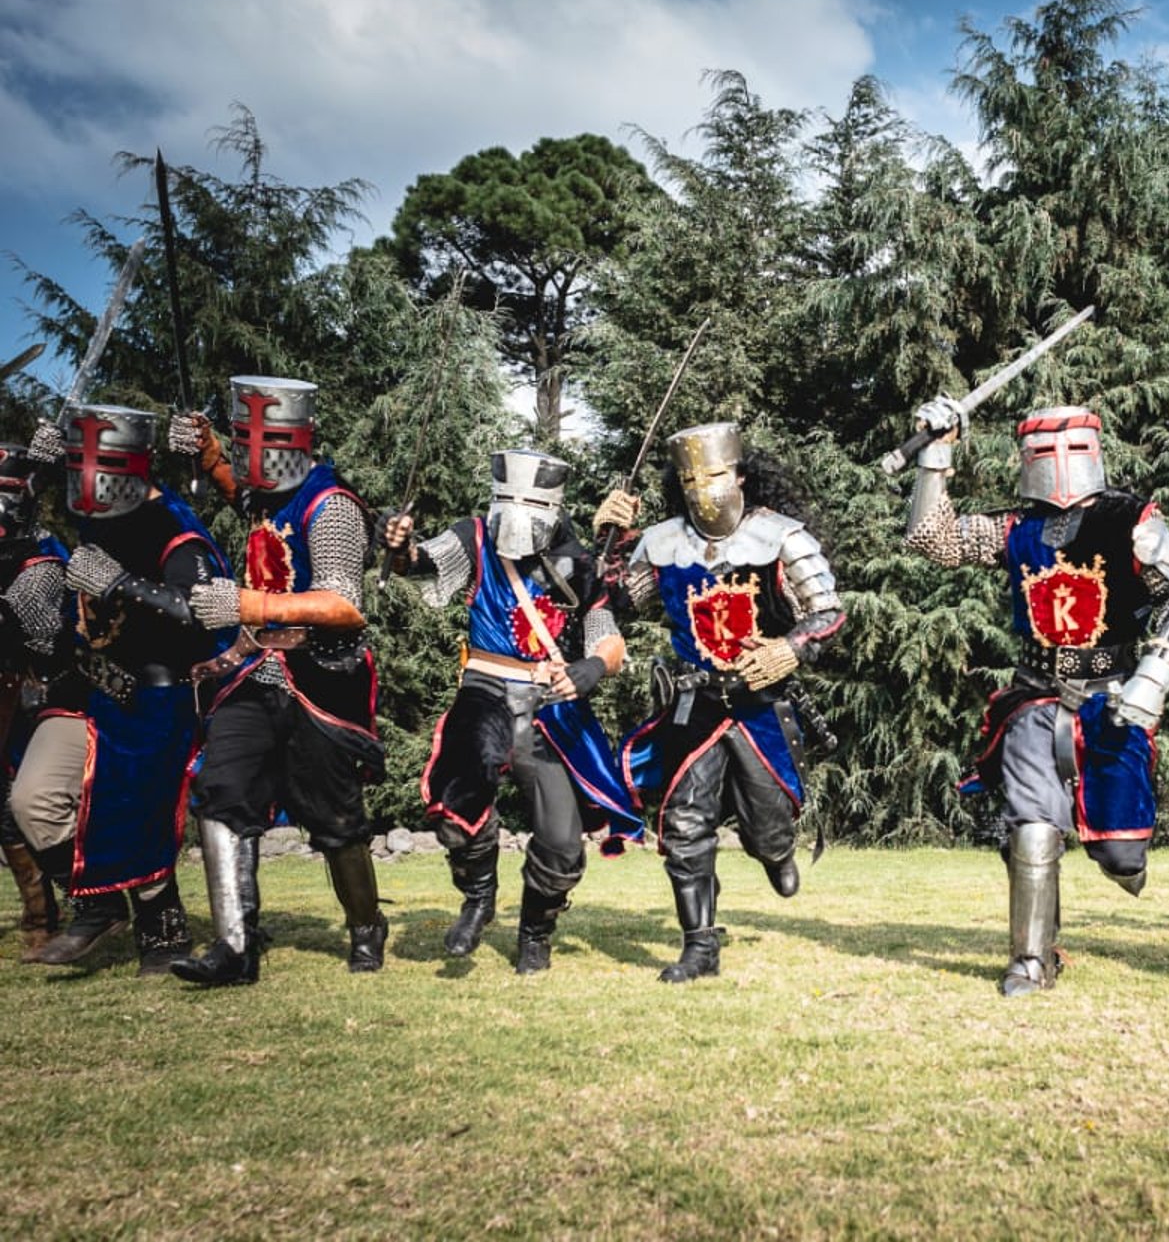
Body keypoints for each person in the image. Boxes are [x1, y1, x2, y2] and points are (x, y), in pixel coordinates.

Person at [901, 401, 1169, 996]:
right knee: (1033, 830)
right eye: (1043, 448)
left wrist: (1154, 676)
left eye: (1069, 446)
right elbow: (932, 539)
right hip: (1035, 697)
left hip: (1112, 699)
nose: (1057, 460)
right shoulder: (1014, 530)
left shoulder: (1130, 520)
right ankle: (1032, 960)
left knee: (1122, 858)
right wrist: (937, 454)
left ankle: (1105, 865)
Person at [594, 422, 844, 984]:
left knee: (769, 822)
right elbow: (611, 601)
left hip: (760, 701)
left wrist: (790, 648)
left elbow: (828, 612)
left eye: (713, 473)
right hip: (694, 700)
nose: (701, 487)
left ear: (739, 474)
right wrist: (610, 540)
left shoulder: (782, 537)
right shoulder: (660, 544)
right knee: (684, 824)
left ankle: (776, 852)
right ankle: (699, 945)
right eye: (689, 477)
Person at [163, 376, 388, 986]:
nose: (244, 458)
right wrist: (207, 456)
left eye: (248, 445)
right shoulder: (266, 496)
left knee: (335, 820)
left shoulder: (331, 505)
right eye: (238, 444)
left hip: (320, 678)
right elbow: (241, 496)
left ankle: (366, 927)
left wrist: (247, 604)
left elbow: (344, 605)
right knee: (221, 789)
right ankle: (235, 947)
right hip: (258, 673)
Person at [380, 449, 631, 974]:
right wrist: (399, 548)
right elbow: (421, 563)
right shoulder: (473, 536)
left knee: (562, 842)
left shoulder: (579, 562)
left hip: (551, 710)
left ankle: (535, 932)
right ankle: (478, 898)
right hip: (485, 692)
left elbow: (609, 639)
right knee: (457, 801)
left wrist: (589, 670)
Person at [11, 407, 229, 972]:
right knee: (32, 801)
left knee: (137, 810)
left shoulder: (174, 526)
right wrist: (37, 459)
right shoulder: (99, 510)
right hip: (88, 685)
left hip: (157, 692)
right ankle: (100, 904)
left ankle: (163, 928)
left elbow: (199, 610)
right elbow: (19, 509)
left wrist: (118, 583)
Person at [0, 439, 66, 958]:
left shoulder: (41, 557)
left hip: (36, 689)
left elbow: (35, 633)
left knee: (15, 804)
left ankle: (47, 911)